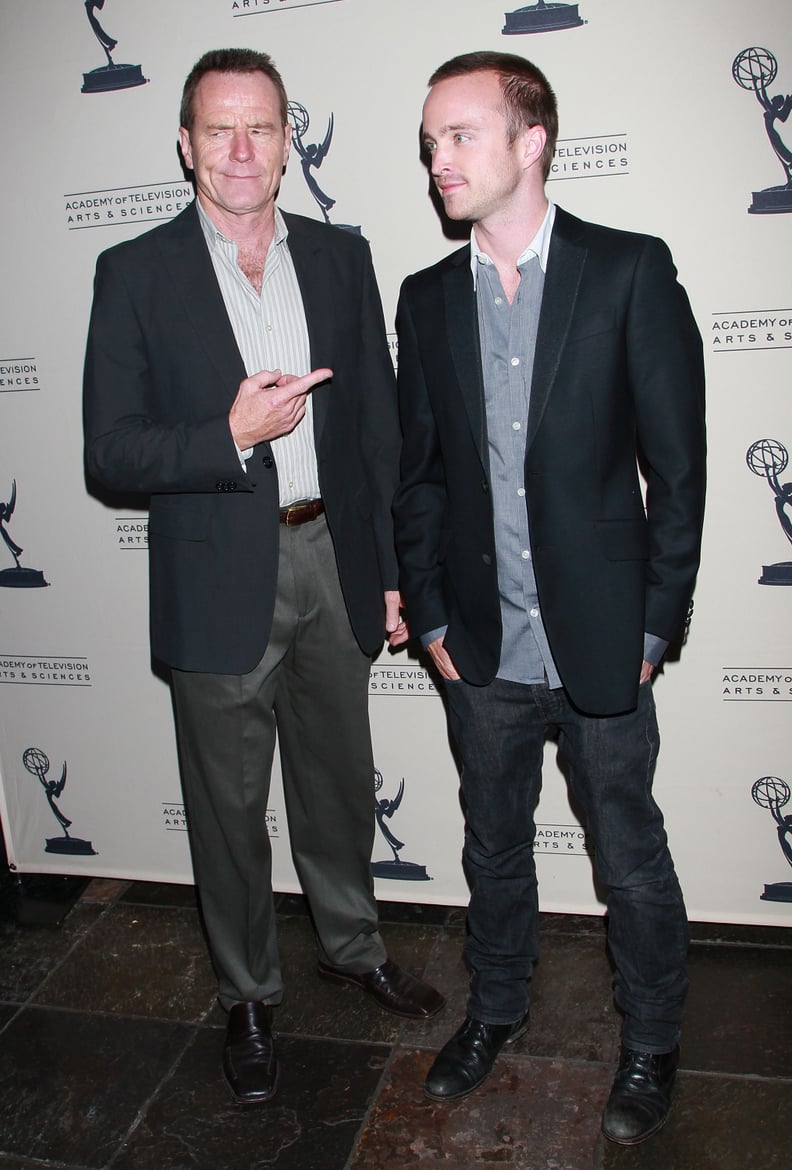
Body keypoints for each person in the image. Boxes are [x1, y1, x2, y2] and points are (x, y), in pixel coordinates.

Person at [83, 47, 444, 1106]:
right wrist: (228, 434)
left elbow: (374, 425)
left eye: (264, 127)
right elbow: (112, 452)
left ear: (289, 143)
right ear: (187, 145)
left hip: (335, 555)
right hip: (216, 577)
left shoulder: (340, 257)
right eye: (221, 128)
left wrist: (383, 568)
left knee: (337, 781)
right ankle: (247, 994)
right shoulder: (135, 272)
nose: (243, 149)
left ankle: (352, 945)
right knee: (229, 811)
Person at [392, 51, 705, 1145]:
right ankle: (496, 1011)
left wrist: (657, 626)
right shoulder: (426, 298)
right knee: (492, 848)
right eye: (431, 139)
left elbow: (680, 467)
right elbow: (419, 474)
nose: (437, 158)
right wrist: (430, 618)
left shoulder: (627, 273)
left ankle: (654, 1042)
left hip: (606, 647)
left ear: (532, 142)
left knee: (629, 857)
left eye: (460, 135)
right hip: (480, 651)